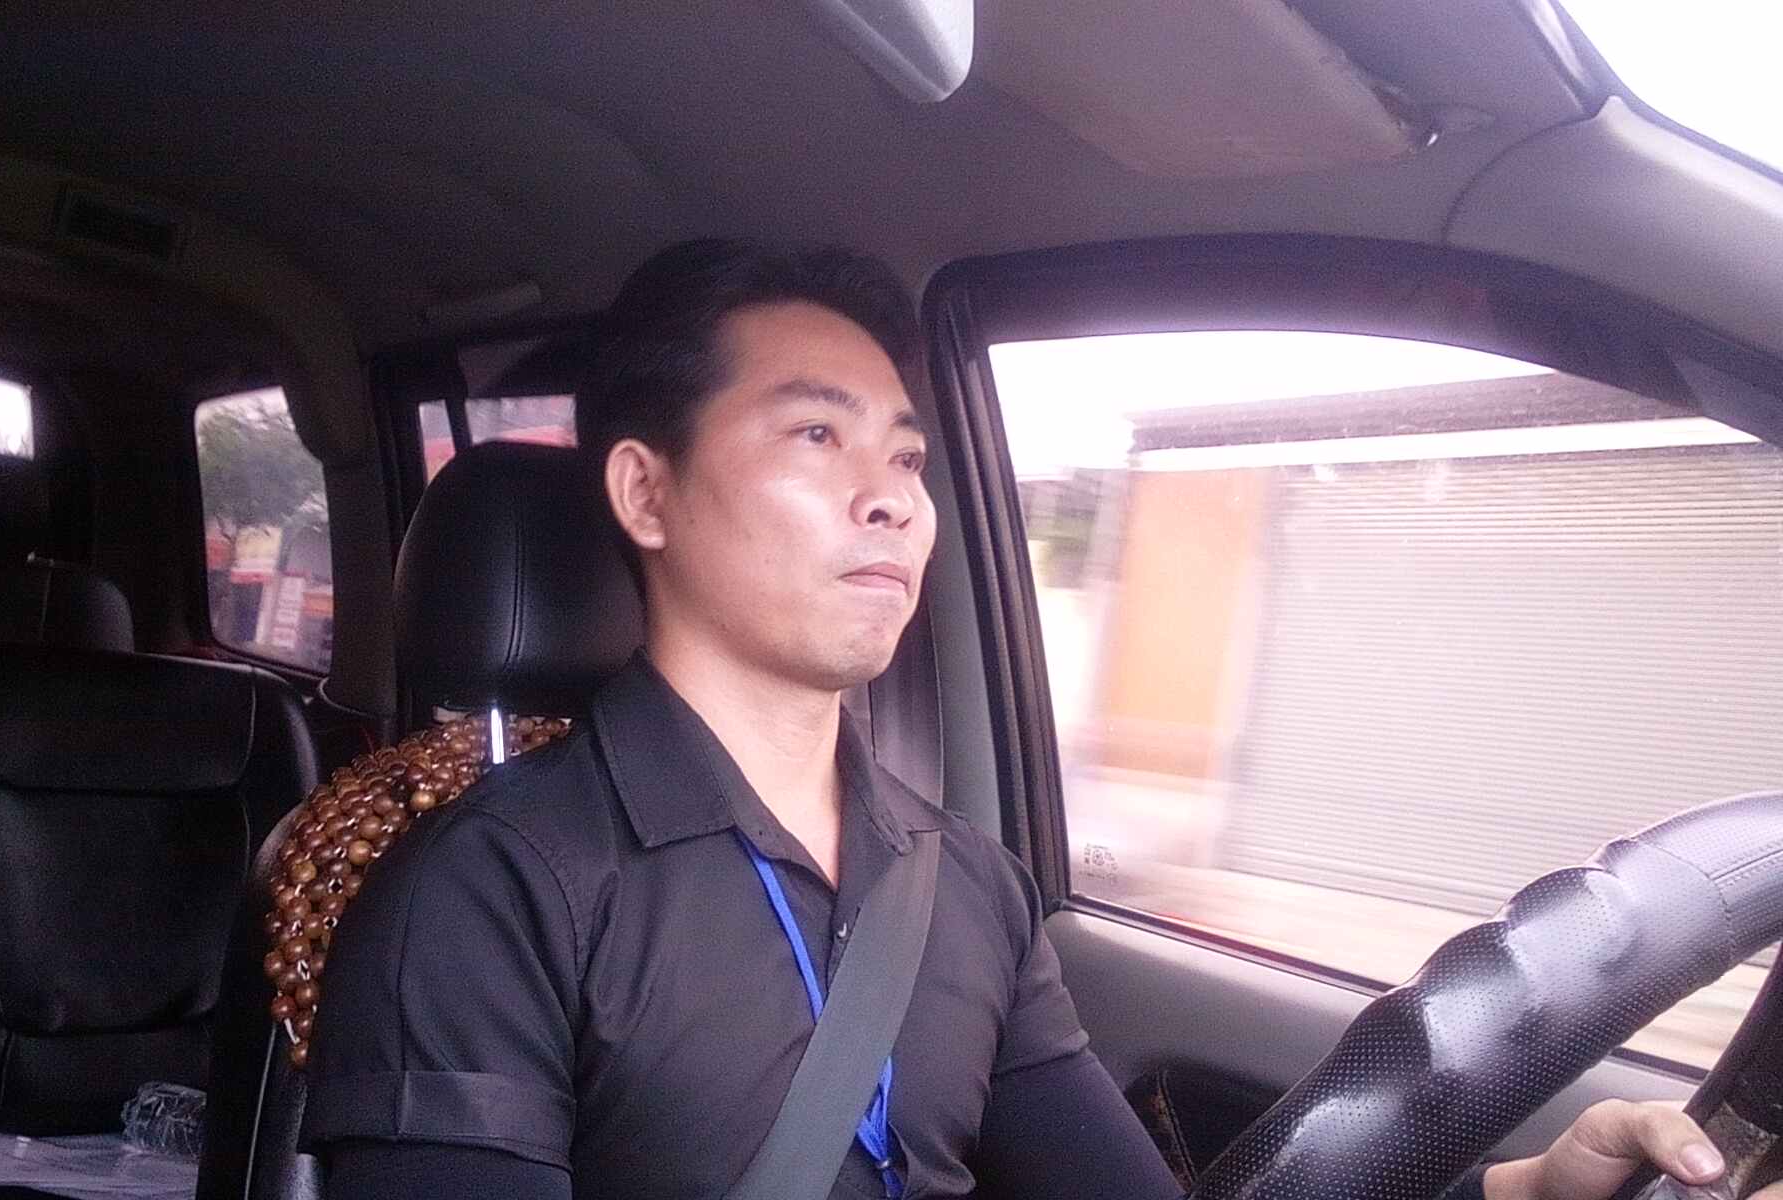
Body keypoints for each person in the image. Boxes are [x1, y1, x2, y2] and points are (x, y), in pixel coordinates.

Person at [304, 240, 1771, 1200]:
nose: (893, 498)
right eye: (815, 434)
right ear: (645, 492)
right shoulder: (481, 902)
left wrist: (1522, 1189)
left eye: (906, 458)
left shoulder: (963, 887)